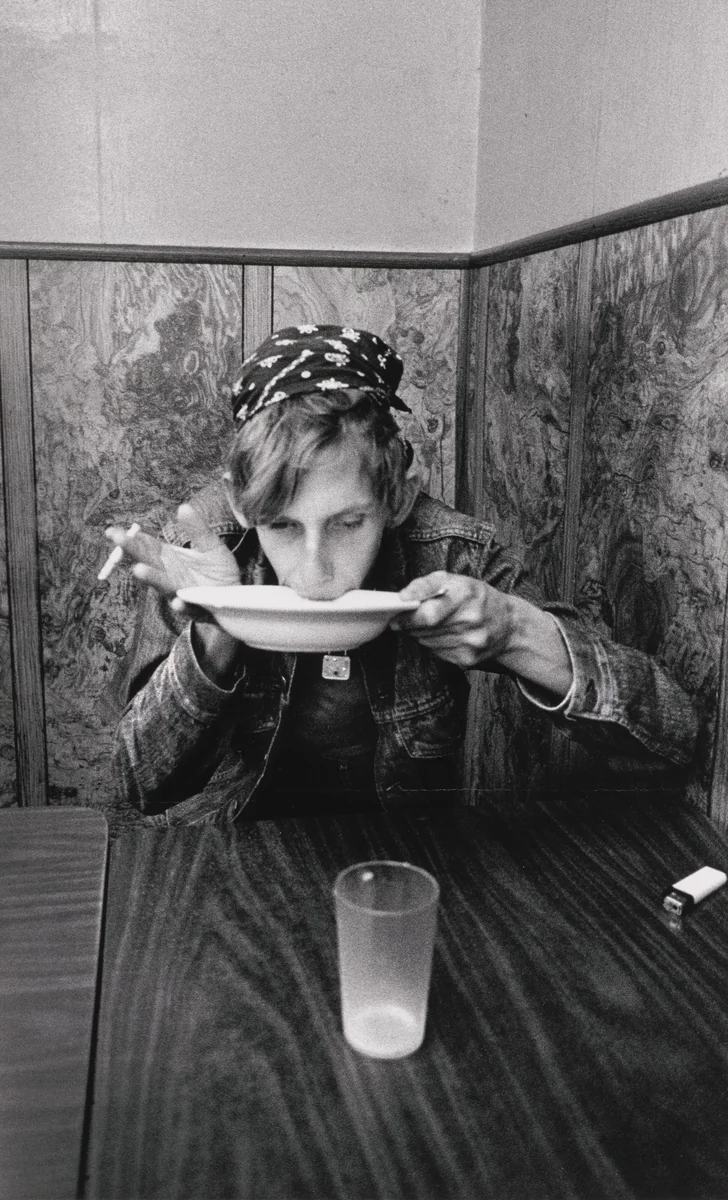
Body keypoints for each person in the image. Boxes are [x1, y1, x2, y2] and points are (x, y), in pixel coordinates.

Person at [106, 325, 698, 825]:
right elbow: (139, 785)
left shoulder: (449, 553)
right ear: (241, 504)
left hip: (405, 862)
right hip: (232, 850)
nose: (315, 574)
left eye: (348, 522)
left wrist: (516, 630)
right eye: (283, 527)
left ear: (397, 499)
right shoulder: (202, 550)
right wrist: (219, 623)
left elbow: (671, 740)